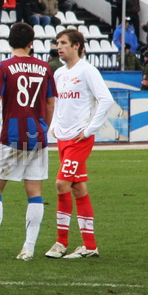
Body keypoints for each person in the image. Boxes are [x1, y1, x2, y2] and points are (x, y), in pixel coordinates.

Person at [0, 23, 56, 262]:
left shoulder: (3, 67)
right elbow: (50, 104)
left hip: (12, 136)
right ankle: (28, 249)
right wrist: (43, 128)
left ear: (9, 42)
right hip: (37, 136)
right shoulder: (45, 68)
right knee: (35, 192)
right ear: (31, 43)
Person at [45, 29, 114, 259]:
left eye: (63, 43)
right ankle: (90, 246)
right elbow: (58, 103)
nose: (59, 47)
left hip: (79, 139)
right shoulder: (59, 73)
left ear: (77, 46)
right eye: (57, 43)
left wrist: (90, 129)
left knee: (61, 184)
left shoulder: (88, 71)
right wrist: (54, 125)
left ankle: (61, 243)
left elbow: (106, 100)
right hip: (63, 139)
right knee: (78, 188)